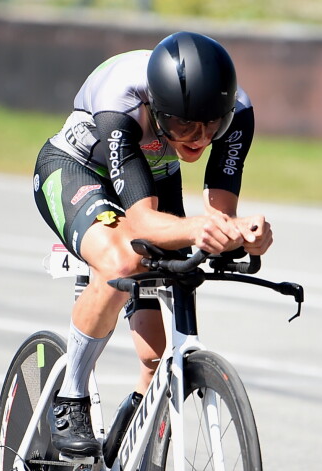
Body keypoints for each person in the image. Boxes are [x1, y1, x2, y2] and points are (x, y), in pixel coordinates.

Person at [32, 31, 272, 458]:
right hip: (79, 170)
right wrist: (199, 229)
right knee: (122, 260)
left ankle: (131, 440)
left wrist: (244, 234)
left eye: (209, 126)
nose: (197, 138)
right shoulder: (122, 99)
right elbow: (141, 221)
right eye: (182, 125)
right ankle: (70, 399)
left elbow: (217, 217)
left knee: (155, 355)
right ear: (156, 111)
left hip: (155, 175)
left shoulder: (235, 110)